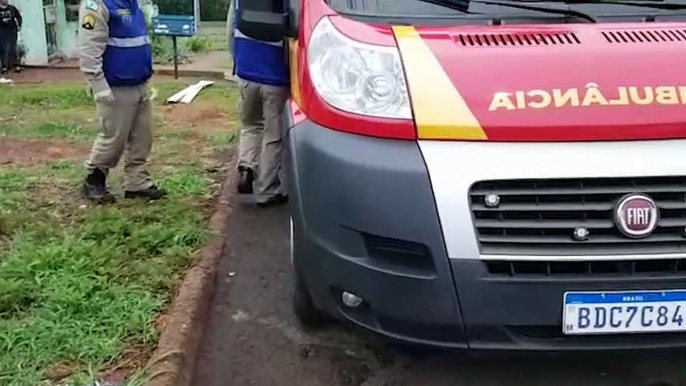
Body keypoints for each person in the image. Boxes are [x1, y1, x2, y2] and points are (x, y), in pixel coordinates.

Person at [78, 0, 166, 203]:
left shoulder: (132, 3)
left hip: (138, 82)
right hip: (115, 85)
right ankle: (95, 178)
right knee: (114, 137)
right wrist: (98, 86)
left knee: (142, 137)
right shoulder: (97, 5)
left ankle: (137, 182)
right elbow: (89, 50)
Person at [228, 0, 290, 207]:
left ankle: (246, 167)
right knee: (273, 135)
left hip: (246, 72)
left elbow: (230, 29)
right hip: (275, 76)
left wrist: (238, 63)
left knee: (251, 125)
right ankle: (267, 190)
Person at [0, 0, 22, 74]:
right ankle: (4, 67)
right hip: (2, 31)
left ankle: (16, 65)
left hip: (12, 30)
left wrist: (19, 25)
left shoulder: (12, 8)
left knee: (13, 47)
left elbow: (18, 17)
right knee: (3, 48)